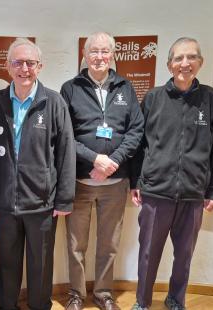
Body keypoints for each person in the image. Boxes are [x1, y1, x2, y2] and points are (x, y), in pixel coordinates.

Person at [130, 37, 213, 310]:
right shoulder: (153, 98)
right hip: (155, 193)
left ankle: (175, 299)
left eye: (191, 57)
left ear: (200, 62)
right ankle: (142, 302)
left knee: (184, 255)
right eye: (179, 58)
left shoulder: (209, 98)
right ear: (169, 64)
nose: (185, 63)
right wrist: (136, 181)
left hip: (193, 195)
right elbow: (139, 145)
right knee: (148, 253)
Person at [0, 38, 76, 310]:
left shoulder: (54, 102)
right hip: (6, 205)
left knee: (41, 267)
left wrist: (64, 200)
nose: (24, 68)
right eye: (17, 62)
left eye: (30, 63)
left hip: (42, 205)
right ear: (7, 66)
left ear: (40, 66)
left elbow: (66, 151)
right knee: (7, 266)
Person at [60, 32, 144, 310]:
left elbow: (136, 131)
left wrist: (113, 162)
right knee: (76, 245)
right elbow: (64, 135)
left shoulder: (126, 88)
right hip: (79, 182)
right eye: (94, 51)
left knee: (108, 244)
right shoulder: (70, 88)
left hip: (115, 183)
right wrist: (95, 159)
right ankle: (75, 294)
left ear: (112, 55)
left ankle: (104, 293)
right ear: (84, 55)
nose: (99, 57)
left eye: (105, 51)